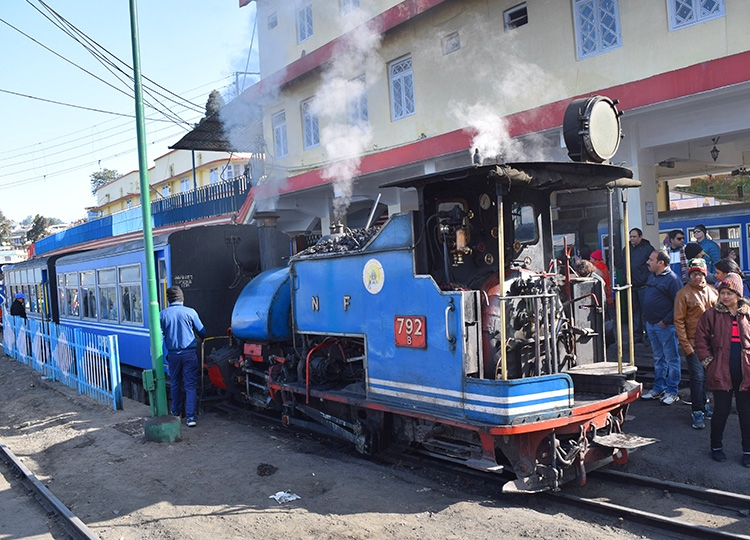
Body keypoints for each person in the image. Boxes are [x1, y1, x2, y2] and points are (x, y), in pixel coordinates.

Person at [694, 273, 750, 466]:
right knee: (721, 412)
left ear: (738, 294)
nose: (725, 297)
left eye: (730, 293)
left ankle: (748, 451)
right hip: (721, 373)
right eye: (722, 293)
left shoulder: (748, 314)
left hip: (746, 374)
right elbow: (700, 341)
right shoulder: (711, 315)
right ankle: (716, 447)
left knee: (746, 413)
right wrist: (709, 363)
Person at [673, 258, 717, 429]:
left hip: (711, 344)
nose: (696, 277)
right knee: (697, 378)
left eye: (699, 274)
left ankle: (704, 406)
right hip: (693, 343)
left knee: (707, 378)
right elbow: (679, 321)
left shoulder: (713, 292)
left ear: (705, 274)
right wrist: (687, 347)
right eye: (693, 274)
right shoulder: (682, 294)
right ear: (688, 275)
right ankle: (697, 411)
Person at [159, 285, 206, 427]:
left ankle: (176, 413)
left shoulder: (162, 315)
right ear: (182, 300)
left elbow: (159, 337)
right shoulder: (190, 312)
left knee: (175, 383)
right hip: (189, 354)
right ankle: (191, 417)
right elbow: (202, 331)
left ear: (168, 300)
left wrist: (165, 353)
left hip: (173, 355)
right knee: (190, 385)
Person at [641, 250, 683, 404]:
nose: (648, 262)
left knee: (671, 359)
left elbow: (679, 304)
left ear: (661, 263)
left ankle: (672, 391)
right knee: (659, 358)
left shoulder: (672, 279)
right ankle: (658, 389)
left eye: (651, 260)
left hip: (665, 326)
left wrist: (665, 321)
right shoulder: (652, 276)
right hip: (652, 324)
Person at [623, 228, 655, 343]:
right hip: (631, 286)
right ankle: (636, 335)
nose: (632, 239)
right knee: (634, 312)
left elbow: (652, 265)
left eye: (634, 237)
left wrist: (648, 279)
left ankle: (648, 336)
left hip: (644, 286)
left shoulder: (648, 249)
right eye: (630, 236)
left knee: (645, 312)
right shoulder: (626, 249)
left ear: (640, 237)